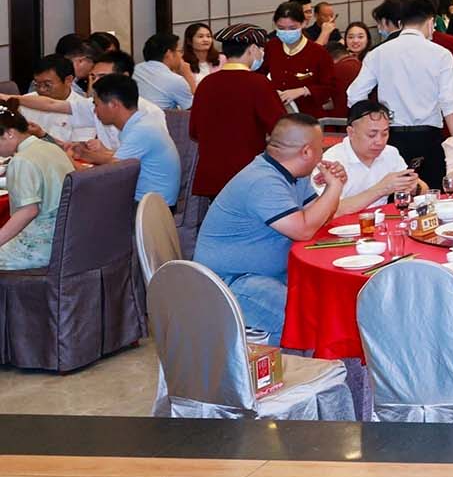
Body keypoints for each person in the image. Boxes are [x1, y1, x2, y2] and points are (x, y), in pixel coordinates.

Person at [193, 115, 349, 339]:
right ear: (306, 152)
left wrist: (330, 189)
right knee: (309, 319)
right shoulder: (263, 181)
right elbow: (303, 230)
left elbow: (319, 218)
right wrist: (334, 188)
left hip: (267, 274)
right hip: (231, 283)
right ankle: (283, 358)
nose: (322, 155)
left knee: (331, 300)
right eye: (320, 148)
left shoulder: (292, 175)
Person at [347, 0, 453, 191]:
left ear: (400, 23)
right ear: (431, 22)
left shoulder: (378, 53)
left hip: (391, 137)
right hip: (429, 137)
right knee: (432, 195)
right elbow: (450, 103)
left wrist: (372, 127)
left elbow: (354, 95)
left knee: (394, 195)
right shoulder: (441, 54)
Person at [189, 25, 288, 200]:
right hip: (248, 174)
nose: (262, 54)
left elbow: (194, 131)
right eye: (261, 50)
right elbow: (281, 129)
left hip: (212, 176)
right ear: (252, 49)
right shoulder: (259, 83)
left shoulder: (206, 83)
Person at [73, 73, 182, 207]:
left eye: (96, 105)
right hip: (149, 201)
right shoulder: (141, 122)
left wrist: (77, 158)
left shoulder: (141, 130)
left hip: (151, 208)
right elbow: (122, 159)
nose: (95, 111)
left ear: (113, 105)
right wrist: (86, 154)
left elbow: (117, 168)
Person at [0, 107, 78, 271]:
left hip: (42, 245)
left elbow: (28, 211)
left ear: (9, 133)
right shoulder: (50, 147)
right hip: (68, 235)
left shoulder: (22, 160)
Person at [133, 33, 195, 111]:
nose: (182, 55)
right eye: (180, 51)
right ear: (169, 53)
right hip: (159, 118)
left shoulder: (135, 69)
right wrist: (187, 74)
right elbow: (195, 109)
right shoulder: (176, 80)